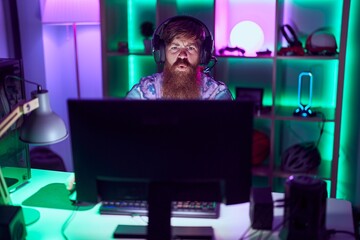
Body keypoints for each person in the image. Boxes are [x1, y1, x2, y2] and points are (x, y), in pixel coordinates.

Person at [125, 16, 233, 100]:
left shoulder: (218, 94)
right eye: (174, 47)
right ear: (162, 53)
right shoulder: (143, 92)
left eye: (190, 48)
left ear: (202, 54)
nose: (182, 55)